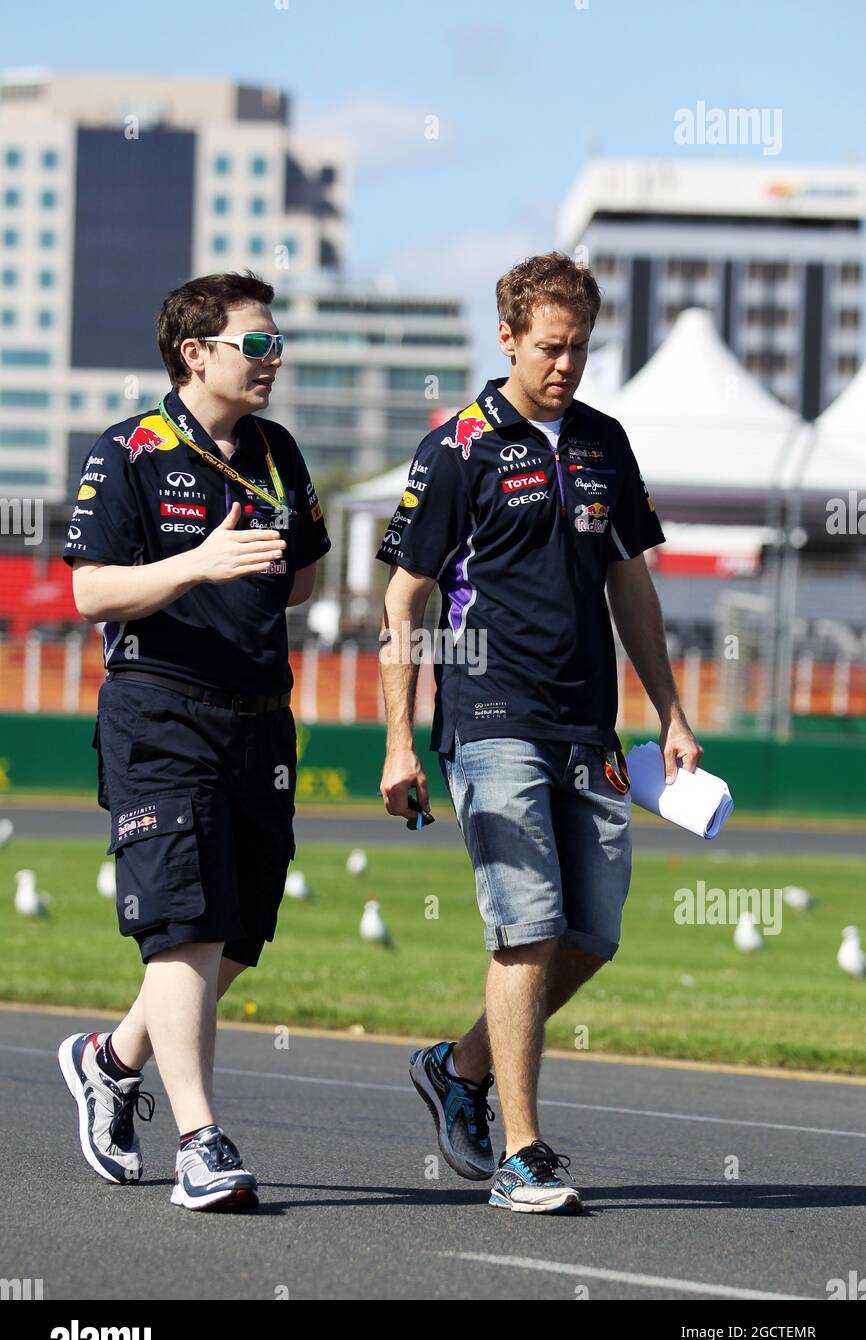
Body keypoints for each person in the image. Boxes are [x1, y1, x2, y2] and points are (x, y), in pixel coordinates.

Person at [377, 251, 702, 1214]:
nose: (566, 365)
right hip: (489, 716)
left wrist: (671, 712)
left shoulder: (605, 441)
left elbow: (630, 581)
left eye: (581, 349)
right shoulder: (458, 448)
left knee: (591, 933)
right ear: (508, 337)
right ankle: (524, 1153)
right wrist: (399, 740)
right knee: (525, 926)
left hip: (585, 722)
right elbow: (406, 597)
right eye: (550, 347)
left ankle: (459, 1065)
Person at [58, 270, 330, 1211]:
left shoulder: (279, 451)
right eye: (255, 343)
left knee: (239, 935)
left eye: (275, 342)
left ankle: (109, 1058)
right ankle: (200, 1140)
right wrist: (198, 565)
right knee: (187, 926)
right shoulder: (129, 450)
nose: (272, 359)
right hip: (158, 714)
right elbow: (90, 591)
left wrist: (253, 572)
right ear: (196, 353)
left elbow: (300, 578)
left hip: (261, 717)